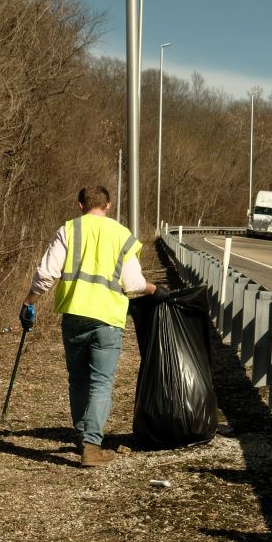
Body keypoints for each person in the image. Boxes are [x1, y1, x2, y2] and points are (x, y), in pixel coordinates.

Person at [18, 186, 166, 467]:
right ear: (108, 206)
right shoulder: (121, 235)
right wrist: (155, 289)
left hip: (74, 316)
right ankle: (92, 446)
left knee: (78, 380)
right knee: (101, 383)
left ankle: (82, 433)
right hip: (107, 320)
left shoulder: (69, 230)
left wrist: (29, 302)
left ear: (80, 205)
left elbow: (47, 273)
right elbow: (133, 284)